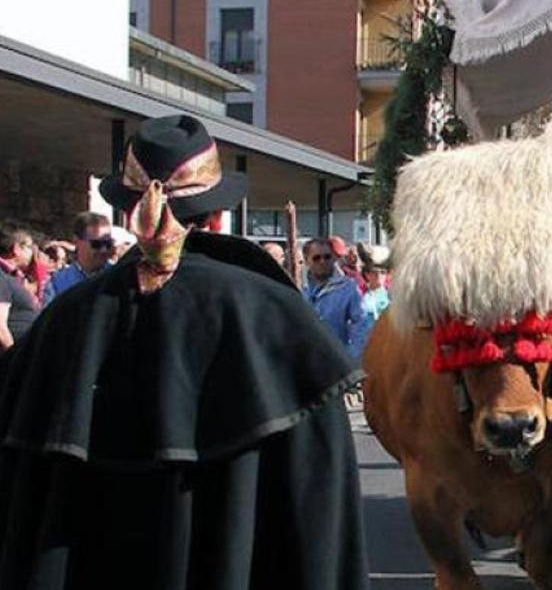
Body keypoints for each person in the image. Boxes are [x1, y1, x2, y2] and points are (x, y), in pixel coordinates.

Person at [0, 114, 368, 589]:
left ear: (128, 211)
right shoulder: (275, 321)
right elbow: (320, 519)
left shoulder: (65, 320)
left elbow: (20, 499)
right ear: (216, 216)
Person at [303, 237, 368, 356]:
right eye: (316, 258)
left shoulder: (348, 288)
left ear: (334, 258)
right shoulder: (301, 291)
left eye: (327, 257)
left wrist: (350, 357)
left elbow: (361, 324)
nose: (322, 261)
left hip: (338, 363)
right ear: (307, 261)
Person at [44, 211, 114, 304]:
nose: (104, 250)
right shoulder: (57, 283)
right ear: (77, 241)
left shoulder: (118, 277)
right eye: (96, 244)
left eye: (108, 243)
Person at [0, 225, 39, 349]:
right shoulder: (1, 276)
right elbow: (0, 328)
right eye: (30, 247)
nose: (32, 253)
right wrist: (14, 359)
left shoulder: (12, 277)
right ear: (17, 249)